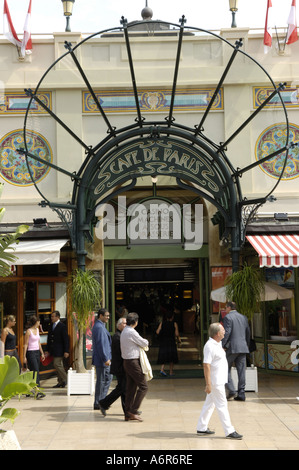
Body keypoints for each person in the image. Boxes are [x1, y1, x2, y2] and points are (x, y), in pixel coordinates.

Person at [196, 322, 242, 439]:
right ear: (217, 333)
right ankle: (229, 431)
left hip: (219, 380)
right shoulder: (210, 346)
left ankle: (201, 427)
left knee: (210, 404)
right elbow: (206, 365)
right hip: (215, 382)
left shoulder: (217, 344)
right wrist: (208, 384)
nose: (224, 332)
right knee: (222, 405)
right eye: (222, 331)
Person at [120, 312, 149, 422]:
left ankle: (127, 413)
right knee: (143, 386)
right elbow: (144, 342)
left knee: (131, 388)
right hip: (132, 362)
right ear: (136, 322)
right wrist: (146, 341)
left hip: (127, 362)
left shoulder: (124, 331)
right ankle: (133, 411)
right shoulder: (131, 332)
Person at [222, 301, 251, 401]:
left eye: (225, 308)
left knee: (224, 368)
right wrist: (246, 344)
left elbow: (227, 333)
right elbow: (248, 332)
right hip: (243, 347)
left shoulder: (227, 318)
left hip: (232, 348)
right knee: (241, 371)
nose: (225, 310)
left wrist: (222, 345)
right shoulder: (243, 317)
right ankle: (241, 393)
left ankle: (231, 390)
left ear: (229, 307)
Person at [98, 317, 127, 416]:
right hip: (119, 367)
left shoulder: (121, 335)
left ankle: (128, 410)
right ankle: (104, 403)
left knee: (124, 389)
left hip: (121, 367)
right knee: (122, 388)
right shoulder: (117, 337)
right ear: (119, 325)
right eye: (124, 323)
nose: (126, 325)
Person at [92, 308, 113, 410]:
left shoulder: (100, 326)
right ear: (100, 316)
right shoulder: (99, 327)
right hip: (102, 360)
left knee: (107, 379)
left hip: (103, 359)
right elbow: (101, 345)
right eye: (106, 316)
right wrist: (106, 358)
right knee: (102, 381)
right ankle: (99, 402)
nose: (108, 318)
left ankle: (101, 401)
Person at [46, 310, 69, 388]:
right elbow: (49, 338)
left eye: (53, 316)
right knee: (57, 365)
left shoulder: (62, 326)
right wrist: (47, 350)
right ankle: (60, 382)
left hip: (60, 350)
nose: (51, 318)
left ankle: (67, 379)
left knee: (57, 364)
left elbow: (65, 339)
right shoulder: (51, 325)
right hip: (53, 350)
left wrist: (66, 351)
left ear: (57, 317)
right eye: (51, 316)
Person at [23, 315, 45, 396]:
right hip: (30, 352)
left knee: (33, 372)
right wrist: (24, 356)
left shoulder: (37, 330)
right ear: (36, 322)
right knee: (36, 372)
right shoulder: (28, 331)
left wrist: (42, 353)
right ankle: (38, 391)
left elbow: (38, 343)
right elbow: (25, 344)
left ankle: (28, 390)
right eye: (39, 321)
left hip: (36, 352)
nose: (39, 323)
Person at [156, 311, 181, 376]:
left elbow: (157, 332)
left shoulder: (162, 323)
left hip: (163, 341)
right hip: (171, 341)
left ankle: (162, 369)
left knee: (164, 355)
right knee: (171, 357)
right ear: (172, 317)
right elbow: (177, 334)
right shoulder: (174, 324)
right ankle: (171, 372)